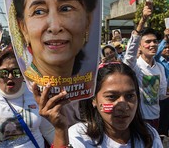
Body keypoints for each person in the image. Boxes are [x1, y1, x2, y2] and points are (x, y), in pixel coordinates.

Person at [8, 0, 98, 126]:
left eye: (66, 8)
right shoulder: (15, 92)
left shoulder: (99, 89)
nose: (55, 26)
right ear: (22, 26)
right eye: (39, 11)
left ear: (88, 19)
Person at [33, 62, 163, 147]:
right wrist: (60, 130)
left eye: (130, 96)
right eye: (112, 97)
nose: (123, 105)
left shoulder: (149, 135)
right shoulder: (79, 136)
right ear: (94, 100)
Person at [123, 2, 167, 130]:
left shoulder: (160, 68)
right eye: (148, 42)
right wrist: (143, 20)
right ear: (140, 47)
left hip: (156, 117)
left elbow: (162, 95)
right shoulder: (135, 67)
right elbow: (129, 55)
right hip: (138, 119)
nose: (152, 44)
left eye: (155, 41)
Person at [155, 28, 169, 136]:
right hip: (162, 97)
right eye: (165, 48)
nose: (167, 50)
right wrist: (165, 38)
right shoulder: (157, 61)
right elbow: (156, 53)